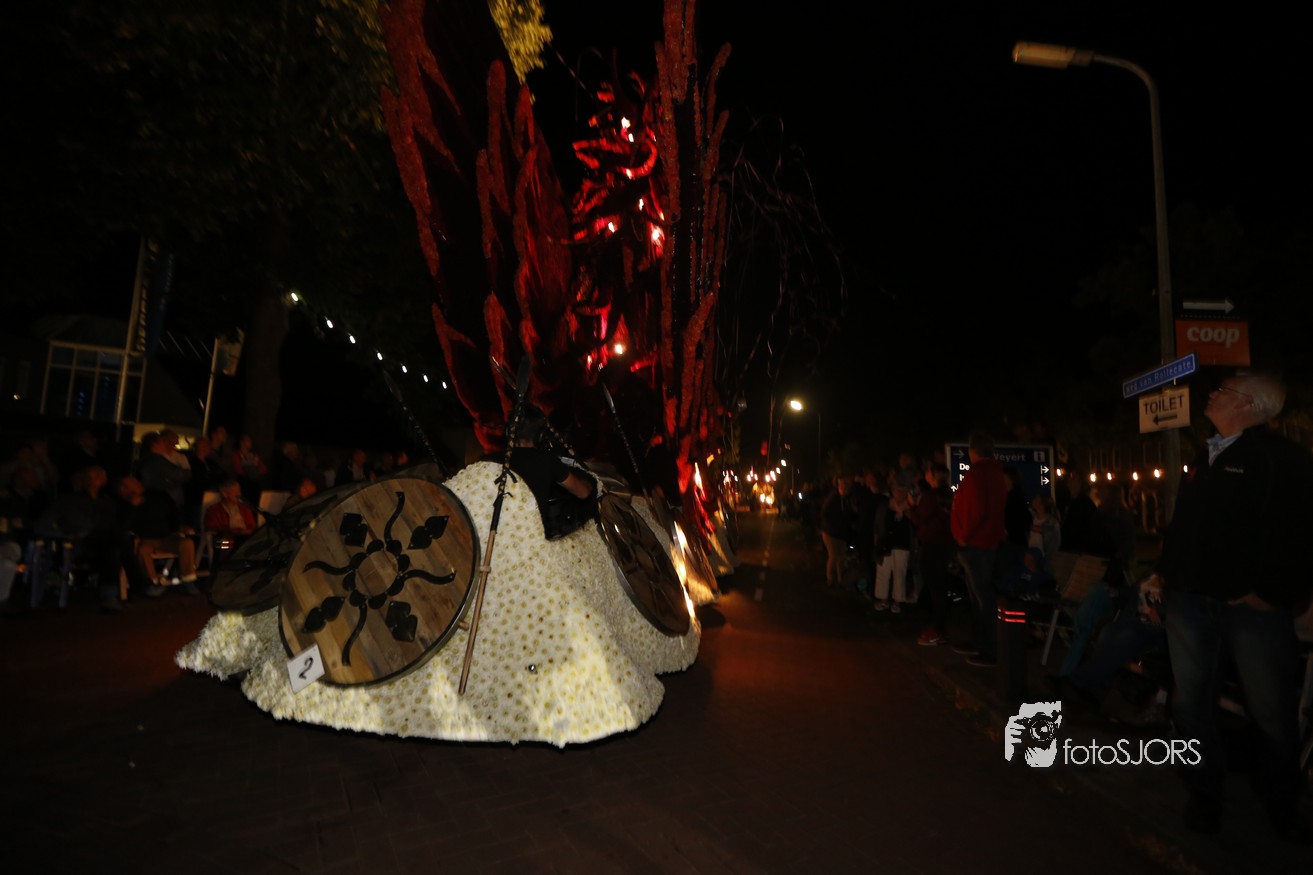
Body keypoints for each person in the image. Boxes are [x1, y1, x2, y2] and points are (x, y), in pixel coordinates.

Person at [1142, 369, 1313, 838]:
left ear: (1247, 405)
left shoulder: (1282, 459)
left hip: (1250, 611)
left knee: (1271, 710)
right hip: (1191, 604)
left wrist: (1272, 594)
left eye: (1223, 390)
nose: (1212, 394)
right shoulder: (1206, 456)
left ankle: (1282, 806)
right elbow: (1185, 525)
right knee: (1190, 705)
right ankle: (1204, 795)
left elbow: (1300, 535)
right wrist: (1163, 573)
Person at [949, 430, 1008, 668]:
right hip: (986, 542)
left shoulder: (977, 474)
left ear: (972, 451)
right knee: (978, 596)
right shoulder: (995, 474)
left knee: (982, 597)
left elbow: (974, 510)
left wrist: (963, 536)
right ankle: (979, 642)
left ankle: (988, 648)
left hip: (975, 543)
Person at [912, 462, 955, 645]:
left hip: (931, 545)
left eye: (928, 472)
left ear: (933, 475)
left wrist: (912, 507)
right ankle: (939, 626)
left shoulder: (931, 496)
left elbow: (920, 519)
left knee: (935, 589)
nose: (926, 475)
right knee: (938, 587)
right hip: (944, 545)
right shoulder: (948, 494)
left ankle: (937, 629)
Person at [872, 484, 913, 612]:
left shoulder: (910, 507)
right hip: (885, 543)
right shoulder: (885, 506)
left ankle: (897, 601)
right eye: (897, 489)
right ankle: (883, 599)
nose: (899, 493)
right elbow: (878, 525)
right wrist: (876, 541)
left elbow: (914, 525)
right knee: (883, 572)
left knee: (899, 573)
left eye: (902, 490)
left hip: (902, 544)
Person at [818, 476, 854, 589]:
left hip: (840, 532)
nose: (846, 489)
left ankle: (840, 579)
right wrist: (830, 527)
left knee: (841, 557)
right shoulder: (833, 498)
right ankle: (830, 579)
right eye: (844, 487)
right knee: (833, 556)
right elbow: (825, 514)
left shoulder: (845, 499)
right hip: (831, 532)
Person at [203, 478, 258, 545]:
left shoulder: (245, 509)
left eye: (239, 491)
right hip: (224, 543)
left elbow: (253, 528)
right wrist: (237, 531)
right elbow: (211, 530)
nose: (239, 494)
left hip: (244, 541)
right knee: (225, 543)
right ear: (224, 494)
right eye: (236, 492)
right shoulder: (213, 510)